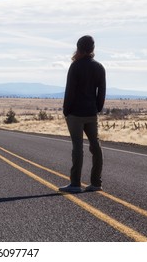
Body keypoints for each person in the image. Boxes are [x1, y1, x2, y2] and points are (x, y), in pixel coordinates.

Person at [59, 35, 106, 193]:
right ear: (92, 49)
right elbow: (102, 92)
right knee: (96, 146)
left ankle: (75, 184)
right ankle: (96, 183)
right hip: (91, 113)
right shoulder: (99, 67)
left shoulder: (75, 66)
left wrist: (66, 110)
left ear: (78, 47)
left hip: (76, 114)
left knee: (77, 148)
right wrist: (97, 108)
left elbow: (70, 91)